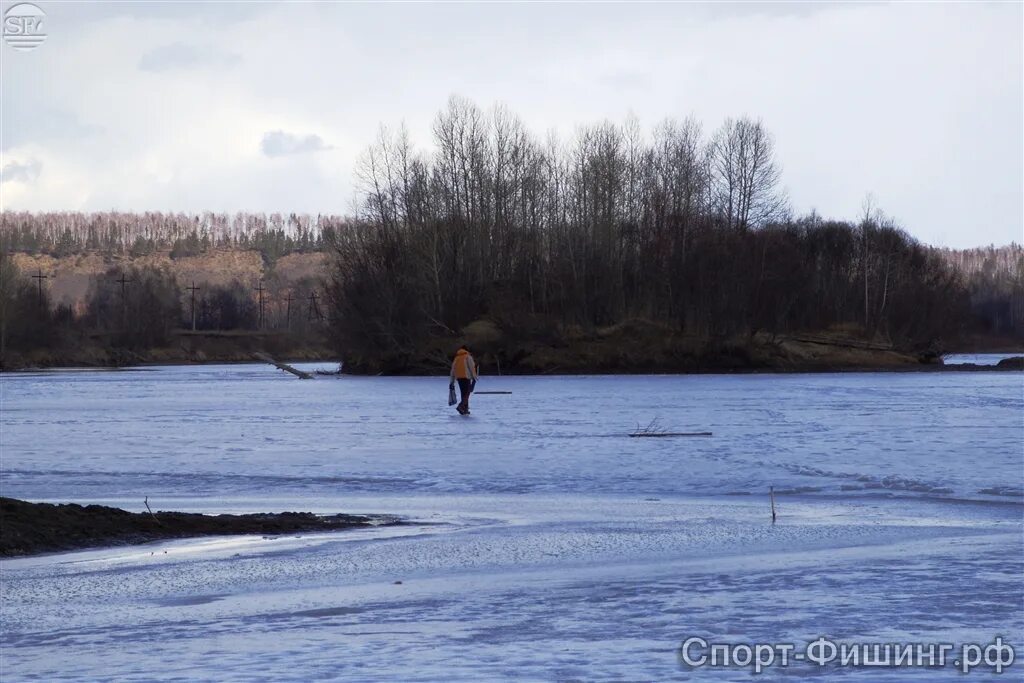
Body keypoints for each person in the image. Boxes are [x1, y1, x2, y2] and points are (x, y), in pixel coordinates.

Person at [449, 345, 478, 415]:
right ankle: (461, 406)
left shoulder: (456, 358)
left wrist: (452, 381)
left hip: (459, 377)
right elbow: (472, 367)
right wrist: (474, 376)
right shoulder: (467, 357)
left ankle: (465, 409)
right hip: (466, 377)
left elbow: (452, 370)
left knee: (463, 393)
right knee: (467, 393)